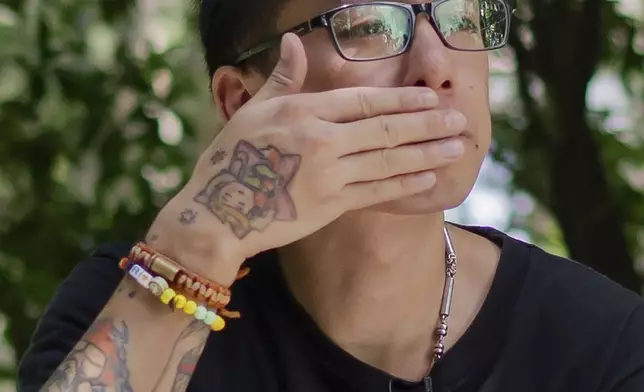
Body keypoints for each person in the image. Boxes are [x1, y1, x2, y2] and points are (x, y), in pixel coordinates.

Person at [17, 0, 644, 391]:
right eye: (369, 23)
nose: (436, 63)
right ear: (241, 101)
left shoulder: (601, 344)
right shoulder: (123, 306)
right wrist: (205, 235)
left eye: (459, 16)